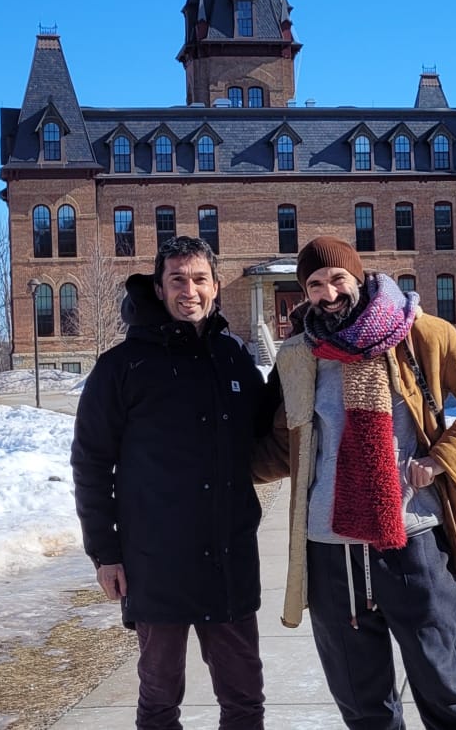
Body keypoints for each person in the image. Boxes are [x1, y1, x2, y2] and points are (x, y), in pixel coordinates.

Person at [254, 236, 456, 730]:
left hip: (413, 543)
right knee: (362, 705)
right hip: (329, 551)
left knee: (444, 693)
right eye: (314, 284)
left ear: (359, 277)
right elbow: (279, 449)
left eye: (337, 279)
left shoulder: (420, 335)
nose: (328, 293)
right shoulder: (297, 357)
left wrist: (443, 459)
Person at [72, 236, 272, 730]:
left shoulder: (233, 357)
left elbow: (271, 431)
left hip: (229, 557)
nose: (190, 290)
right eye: (177, 279)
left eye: (199, 279)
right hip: (155, 560)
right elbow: (91, 464)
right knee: (160, 700)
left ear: (217, 286)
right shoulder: (122, 366)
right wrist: (106, 553)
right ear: (159, 289)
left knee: (244, 698)